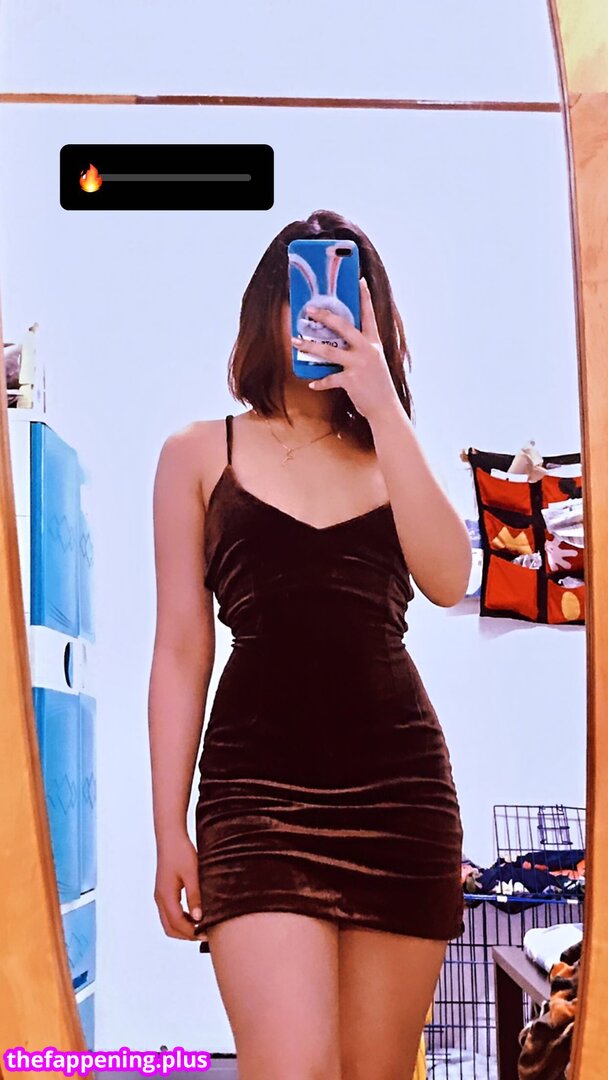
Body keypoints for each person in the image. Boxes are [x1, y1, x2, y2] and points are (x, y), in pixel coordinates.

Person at [148, 209, 472, 1080]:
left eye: (345, 302)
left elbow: (451, 579)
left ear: (376, 321)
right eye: (304, 295)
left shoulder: (391, 457)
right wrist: (167, 828)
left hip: (400, 797)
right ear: (267, 307)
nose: (321, 316)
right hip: (256, 796)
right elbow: (180, 650)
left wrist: (382, 403)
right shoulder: (197, 454)